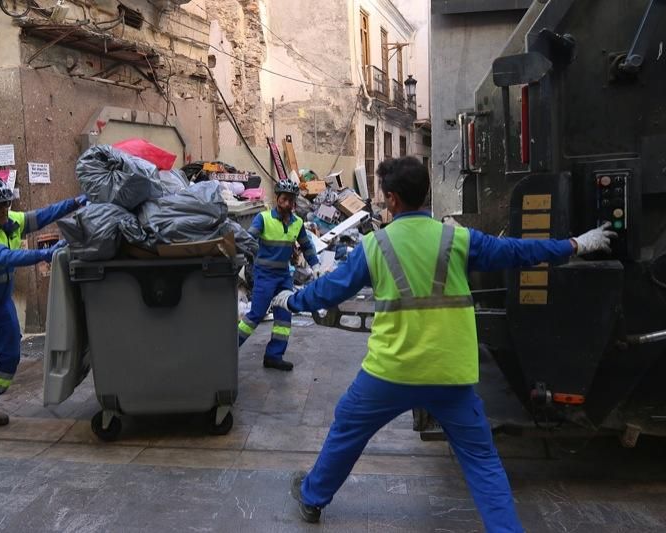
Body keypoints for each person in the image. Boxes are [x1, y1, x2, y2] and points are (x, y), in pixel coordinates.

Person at [271, 157, 616, 529]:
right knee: (482, 460)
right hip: (450, 374)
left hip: (390, 373)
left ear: (392, 200)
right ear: (423, 196)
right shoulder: (458, 239)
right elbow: (519, 252)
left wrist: (293, 300)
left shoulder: (374, 246)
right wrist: (575, 244)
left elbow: (329, 289)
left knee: (347, 429)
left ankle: (312, 498)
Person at [0, 176, 87, 444]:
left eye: (6, 204)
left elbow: (43, 215)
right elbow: (3, 257)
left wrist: (75, 202)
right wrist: (43, 254)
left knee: (10, 357)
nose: (4, 210)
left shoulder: (9, 221)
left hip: (0, 304)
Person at [238, 179, 321, 371]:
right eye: (284, 199)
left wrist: (315, 264)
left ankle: (274, 356)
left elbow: (307, 245)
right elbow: (248, 239)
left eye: (291, 201)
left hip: (283, 276)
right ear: (277, 199)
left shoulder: (297, 223)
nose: (288, 204)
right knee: (256, 315)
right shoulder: (263, 218)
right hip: (264, 275)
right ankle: (230, 349)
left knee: (284, 317)